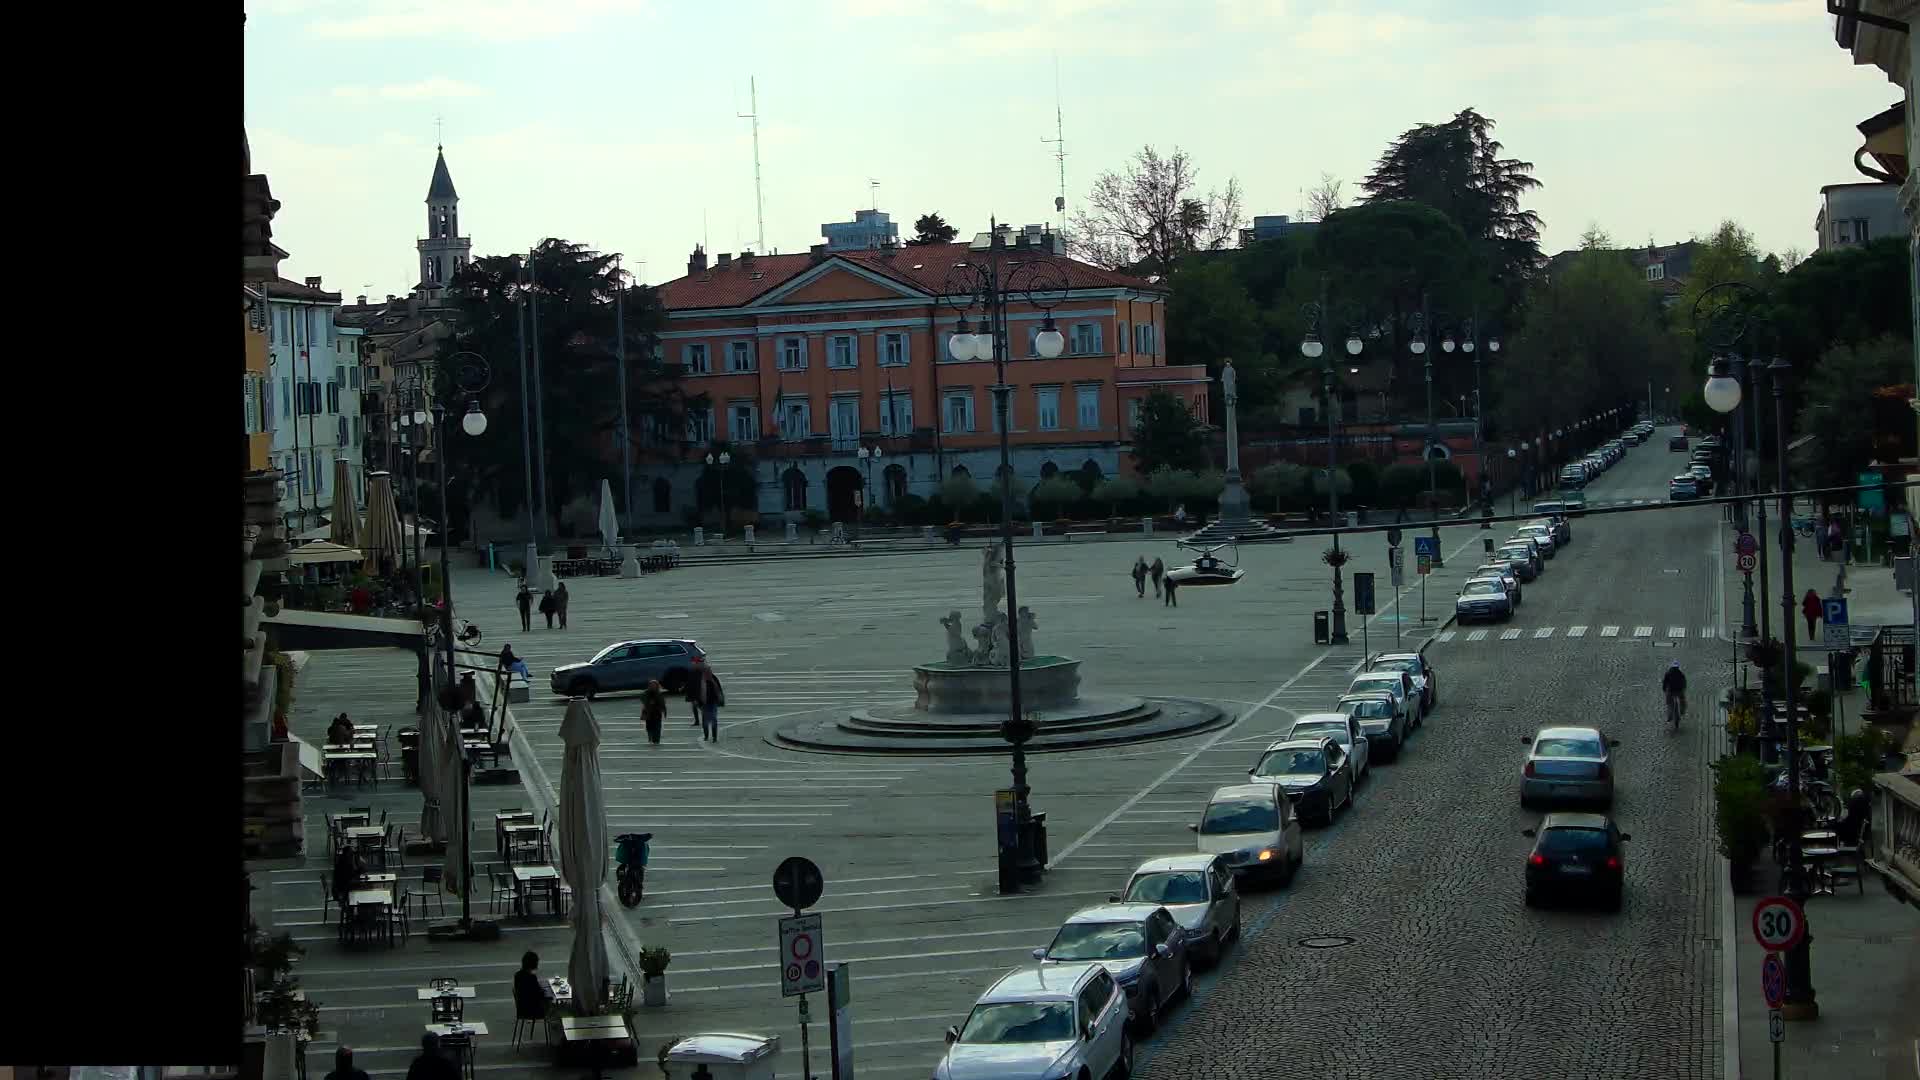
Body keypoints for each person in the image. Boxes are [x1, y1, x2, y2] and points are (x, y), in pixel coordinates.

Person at [688, 656, 724, 742]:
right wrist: (695, 700)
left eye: (709, 671)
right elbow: (695, 690)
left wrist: (720, 699)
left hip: (713, 702)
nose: (708, 672)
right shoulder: (701, 681)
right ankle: (706, 735)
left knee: (713, 719)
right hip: (704, 703)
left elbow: (719, 690)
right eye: (707, 671)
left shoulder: (713, 679)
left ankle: (714, 736)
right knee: (705, 720)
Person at [513, 951, 546, 1016]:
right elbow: (538, 994)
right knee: (553, 1007)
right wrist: (543, 991)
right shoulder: (531, 977)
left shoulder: (517, 975)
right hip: (531, 1010)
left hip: (522, 1009)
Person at [641, 679, 667, 745]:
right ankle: (650, 738)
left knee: (657, 727)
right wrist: (648, 702)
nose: (653, 686)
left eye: (654, 685)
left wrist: (664, 711)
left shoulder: (659, 693)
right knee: (649, 727)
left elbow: (662, 703)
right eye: (651, 685)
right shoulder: (646, 693)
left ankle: (656, 740)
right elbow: (643, 699)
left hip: (657, 713)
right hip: (649, 712)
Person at [1661, 661, 1687, 726]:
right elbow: (1684, 682)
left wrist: (1664, 689)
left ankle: (1670, 716)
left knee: (1669, 703)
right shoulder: (1680, 673)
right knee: (1682, 700)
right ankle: (1682, 711)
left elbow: (1665, 683)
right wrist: (1683, 688)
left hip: (1671, 691)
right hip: (1679, 690)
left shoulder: (1668, 673)